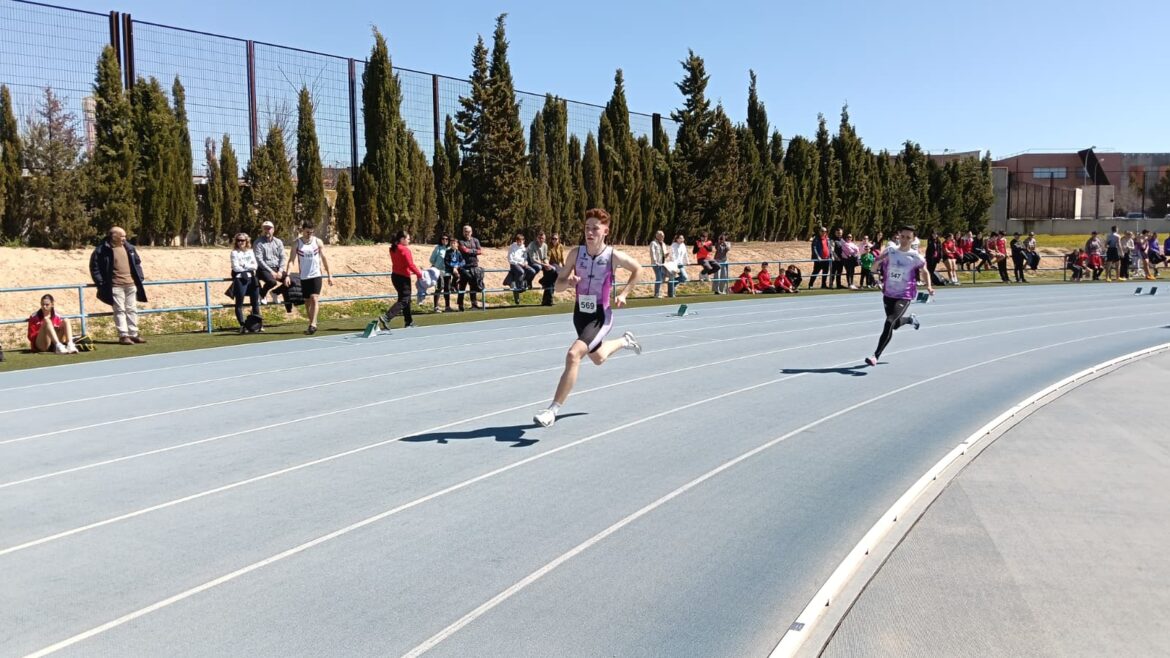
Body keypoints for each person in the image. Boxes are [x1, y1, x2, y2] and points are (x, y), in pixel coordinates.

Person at [533, 208, 642, 428]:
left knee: (574, 354)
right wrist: (569, 282)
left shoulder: (613, 255)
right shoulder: (576, 253)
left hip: (600, 316)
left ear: (605, 231)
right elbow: (558, 286)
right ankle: (625, 341)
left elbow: (638, 269)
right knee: (598, 357)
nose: (589, 232)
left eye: (595, 228)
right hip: (580, 315)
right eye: (586, 228)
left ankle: (552, 410)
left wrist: (624, 293)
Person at [866, 225, 932, 367]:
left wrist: (929, 286)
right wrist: (876, 264)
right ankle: (909, 320)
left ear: (913, 239)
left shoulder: (915, 256)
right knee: (894, 324)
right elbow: (873, 268)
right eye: (902, 236)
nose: (904, 240)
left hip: (905, 294)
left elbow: (925, 271)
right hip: (888, 293)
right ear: (898, 236)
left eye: (908, 238)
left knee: (889, 322)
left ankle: (875, 356)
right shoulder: (890, 252)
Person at [89, 226, 147, 345]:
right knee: (119, 310)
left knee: (132, 309)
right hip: (115, 286)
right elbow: (95, 268)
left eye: (125, 236)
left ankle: (133, 334)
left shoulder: (129, 248)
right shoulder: (101, 250)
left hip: (131, 285)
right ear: (114, 236)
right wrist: (101, 283)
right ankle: (123, 335)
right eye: (122, 236)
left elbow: (137, 262)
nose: (124, 238)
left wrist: (140, 277)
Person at [287, 220, 333, 335]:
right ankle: (312, 321)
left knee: (314, 298)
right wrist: (287, 274)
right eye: (307, 232)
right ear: (302, 230)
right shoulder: (296, 243)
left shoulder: (318, 242)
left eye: (311, 232)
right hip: (304, 276)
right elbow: (291, 260)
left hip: (316, 275)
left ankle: (313, 324)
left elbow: (324, 258)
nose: (309, 234)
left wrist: (329, 275)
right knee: (307, 301)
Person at [379, 230, 422, 330]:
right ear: (402, 239)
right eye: (408, 238)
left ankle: (409, 322)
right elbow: (410, 265)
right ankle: (387, 317)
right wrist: (419, 274)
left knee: (405, 299)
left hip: (395, 276)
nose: (409, 240)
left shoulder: (393, 248)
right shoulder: (405, 250)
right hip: (403, 278)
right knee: (404, 300)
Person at [230, 233, 261, 333]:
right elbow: (235, 267)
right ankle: (242, 325)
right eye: (238, 240)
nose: (240, 242)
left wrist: (244, 265)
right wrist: (247, 267)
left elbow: (255, 266)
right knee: (239, 303)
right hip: (240, 279)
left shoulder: (250, 252)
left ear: (246, 241)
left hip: (252, 278)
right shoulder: (234, 253)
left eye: (242, 240)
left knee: (255, 302)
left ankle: (257, 324)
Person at [253, 220, 289, 304]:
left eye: (269, 228)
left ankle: (275, 293)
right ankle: (262, 295)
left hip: (277, 268)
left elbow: (282, 257)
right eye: (265, 228)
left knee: (291, 281)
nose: (267, 230)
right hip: (263, 269)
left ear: (273, 230)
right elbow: (259, 260)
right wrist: (271, 272)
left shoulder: (278, 242)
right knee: (272, 282)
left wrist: (280, 271)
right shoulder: (258, 242)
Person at [457, 225, 485, 309]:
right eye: (465, 231)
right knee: (462, 286)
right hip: (464, 267)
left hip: (474, 266)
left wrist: (471, 251)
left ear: (471, 232)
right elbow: (464, 250)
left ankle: (474, 304)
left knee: (473, 285)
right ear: (463, 232)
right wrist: (474, 251)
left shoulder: (476, 240)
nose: (467, 233)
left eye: (468, 231)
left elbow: (480, 251)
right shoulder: (460, 241)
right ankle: (460, 305)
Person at [527, 231, 556, 306]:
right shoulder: (532, 245)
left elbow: (545, 257)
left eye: (542, 238)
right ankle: (549, 299)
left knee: (553, 272)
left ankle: (543, 282)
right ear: (537, 238)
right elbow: (533, 260)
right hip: (531, 263)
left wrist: (547, 264)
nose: (541, 240)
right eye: (539, 238)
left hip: (541, 263)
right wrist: (543, 264)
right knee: (539, 267)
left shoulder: (545, 246)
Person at [505, 233, 532, 305]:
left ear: (523, 241)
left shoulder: (524, 248)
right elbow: (510, 259)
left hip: (522, 264)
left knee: (531, 271)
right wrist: (519, 263)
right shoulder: (512, 247)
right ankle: (520, 287)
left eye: (521, 241)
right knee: (521, 271)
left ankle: (525, 283)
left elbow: (526, 258)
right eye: (518, 241)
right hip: (514, 264)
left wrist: (525, 262)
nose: (520, 242)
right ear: (516, 241)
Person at [442, 238, 465, 311]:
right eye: (451, 243)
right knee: (446, 287)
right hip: (448, 271)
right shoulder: (448, 252)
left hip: (456, 270)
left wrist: (457, 266)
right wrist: (452, 268)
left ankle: (454, 285)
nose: (453, 244)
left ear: (457, 244)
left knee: (459, 276)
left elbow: (463, 261)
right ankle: (447, 306)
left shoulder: (458, 252)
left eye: (454, 243)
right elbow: (446, 262)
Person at [428, 234, 450, 312]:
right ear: (441, 240)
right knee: (439, 288)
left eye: (447, 239)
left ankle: (447, 306)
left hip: (447, 271)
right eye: (443, 239)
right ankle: (436, 306)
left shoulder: (450, 248)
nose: (445, 240)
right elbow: (432, 259)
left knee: (447, 288)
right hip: (438, 271)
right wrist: (437, 266)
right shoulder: (438, 248)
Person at [546, 232, 566, 306]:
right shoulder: (549, 247)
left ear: (558, 240)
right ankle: (550, 298)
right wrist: (547, 265)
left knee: (552, 282)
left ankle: (548, 299)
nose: (554, 240)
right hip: (551, 264)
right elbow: (548, 256)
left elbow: (562, 257)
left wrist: (564, 264)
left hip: (557, 265)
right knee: (556, 275)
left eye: (556, 239)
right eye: (553, 239)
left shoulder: (560, 246)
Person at [649, 230, 668, 298]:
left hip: (662, 264)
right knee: (659, 278)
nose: (662, 236)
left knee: (662, 278)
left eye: (663, 235)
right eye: (661, 235)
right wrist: (655, 261)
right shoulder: (653, 243)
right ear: (657, 236)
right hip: (656, 264)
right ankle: (656, 293)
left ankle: (659, 292)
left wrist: (666, 255)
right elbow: (652, 253)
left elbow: (664, 254)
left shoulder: (663, 244)